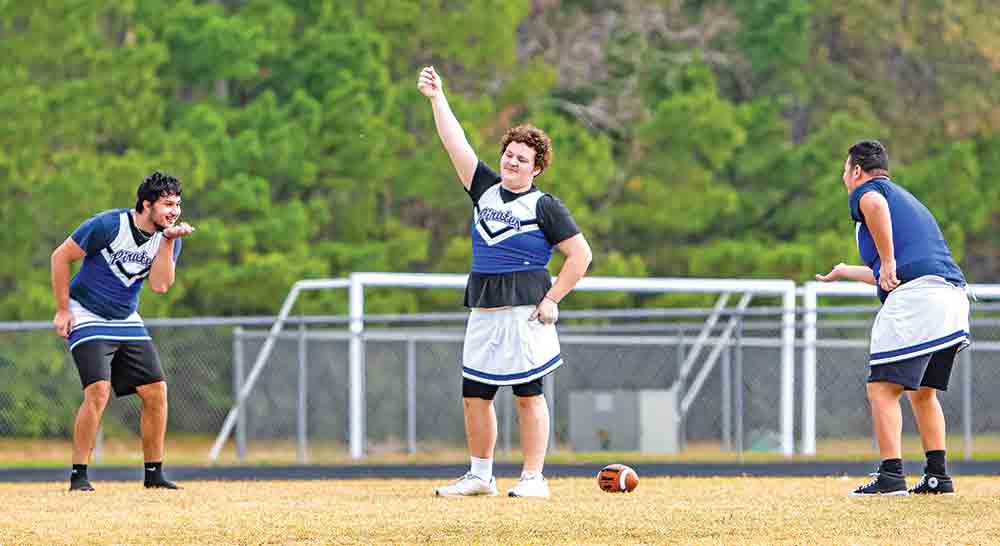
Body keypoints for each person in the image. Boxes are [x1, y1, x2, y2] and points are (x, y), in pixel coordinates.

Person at [418, 66, 592, 498]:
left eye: (522, 158)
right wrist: (438, 98)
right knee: (475, 392)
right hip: (485, 307)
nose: (512, 162)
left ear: (536, 169)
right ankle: (480, 475)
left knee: (528, 393)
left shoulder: (545, 206)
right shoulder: (484, 189)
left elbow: (580, 256)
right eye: (509, 154)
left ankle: (534, 478)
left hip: (525, 308)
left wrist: (553, 298)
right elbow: (454, 142)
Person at [816, 140, 969, 496]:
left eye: (845, 169)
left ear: (856, 170)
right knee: (923, 393)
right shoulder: (906, 199)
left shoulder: (867, 192)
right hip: (951, 298)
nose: (844, 176)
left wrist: (885, 261)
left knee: (882, 388)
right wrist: (847, 270)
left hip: (919, 299)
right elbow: (897, 271)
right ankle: (937, 476)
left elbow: (874, 208)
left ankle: (890, 476)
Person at [51, 171, 194, 491]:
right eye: (168, 204)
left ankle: (154, 475)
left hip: (126, 318)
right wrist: (63, 309)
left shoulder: (168, 239)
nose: (175, 211)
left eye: (178, 204)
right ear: (147, 204)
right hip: (86, 312)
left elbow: (159, 285)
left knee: (157, 390)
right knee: (98, 391)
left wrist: (169, 243)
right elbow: (60, 257)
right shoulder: (108, 225)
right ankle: (79, 476)